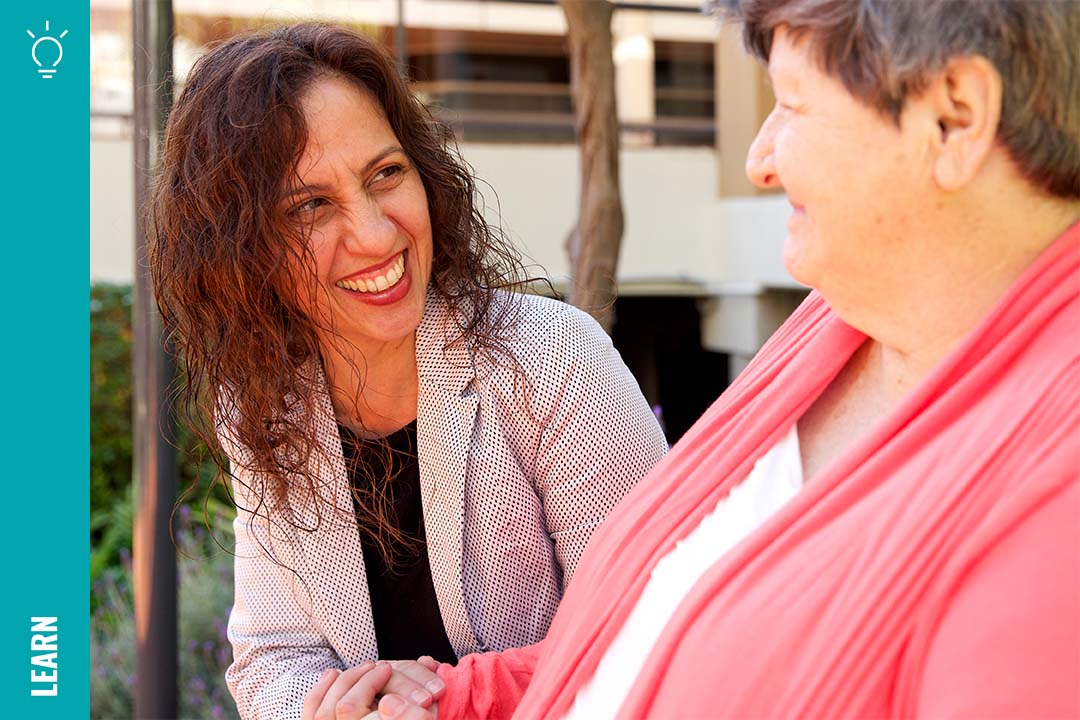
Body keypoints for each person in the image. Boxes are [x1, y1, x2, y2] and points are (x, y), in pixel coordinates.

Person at [348, 0, 1080, 717]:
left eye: (791, 103)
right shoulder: (839, 320)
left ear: (954, 116)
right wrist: (459, 698)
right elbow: (656, 637)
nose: (760, 159)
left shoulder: (1054, 519)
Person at [147, 23, 668, 720]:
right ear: (242, 249)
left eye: (385, 174)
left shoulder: (552, 358)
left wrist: (448, 701)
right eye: (310, 206)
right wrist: (326, 712)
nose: (376, 234)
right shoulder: (261, 404)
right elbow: (272, 657)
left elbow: (649, 620)